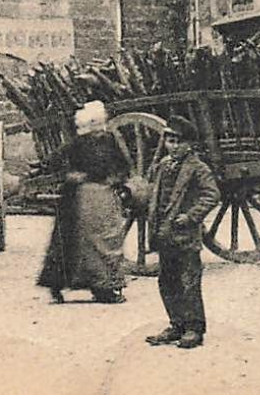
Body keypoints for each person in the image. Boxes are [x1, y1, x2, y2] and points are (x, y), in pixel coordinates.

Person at [39, 101, 131, 304]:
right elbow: (52, 161)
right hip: (79, 198)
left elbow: (123, 165)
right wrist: (71, 175)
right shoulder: (78, 143)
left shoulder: (110, 140)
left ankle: (104, 288)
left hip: (104, 197)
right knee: (75, 241)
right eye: (93, 128)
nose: (97, 132)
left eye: (99, 126)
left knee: (107, 240)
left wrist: (116, 179)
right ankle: (58, 285)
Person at [145, 115, 220, 350]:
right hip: (165, 233)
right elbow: (155, 196)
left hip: (185, 235)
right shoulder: (163, 166)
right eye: (169, 141)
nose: (173, 146)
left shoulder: (198, 168)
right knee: (167, 280)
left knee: (189, 281)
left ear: (190, 144)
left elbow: (212, 194)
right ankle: (176, 324)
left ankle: (194, 328)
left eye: (178, 141)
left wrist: (191, 216)